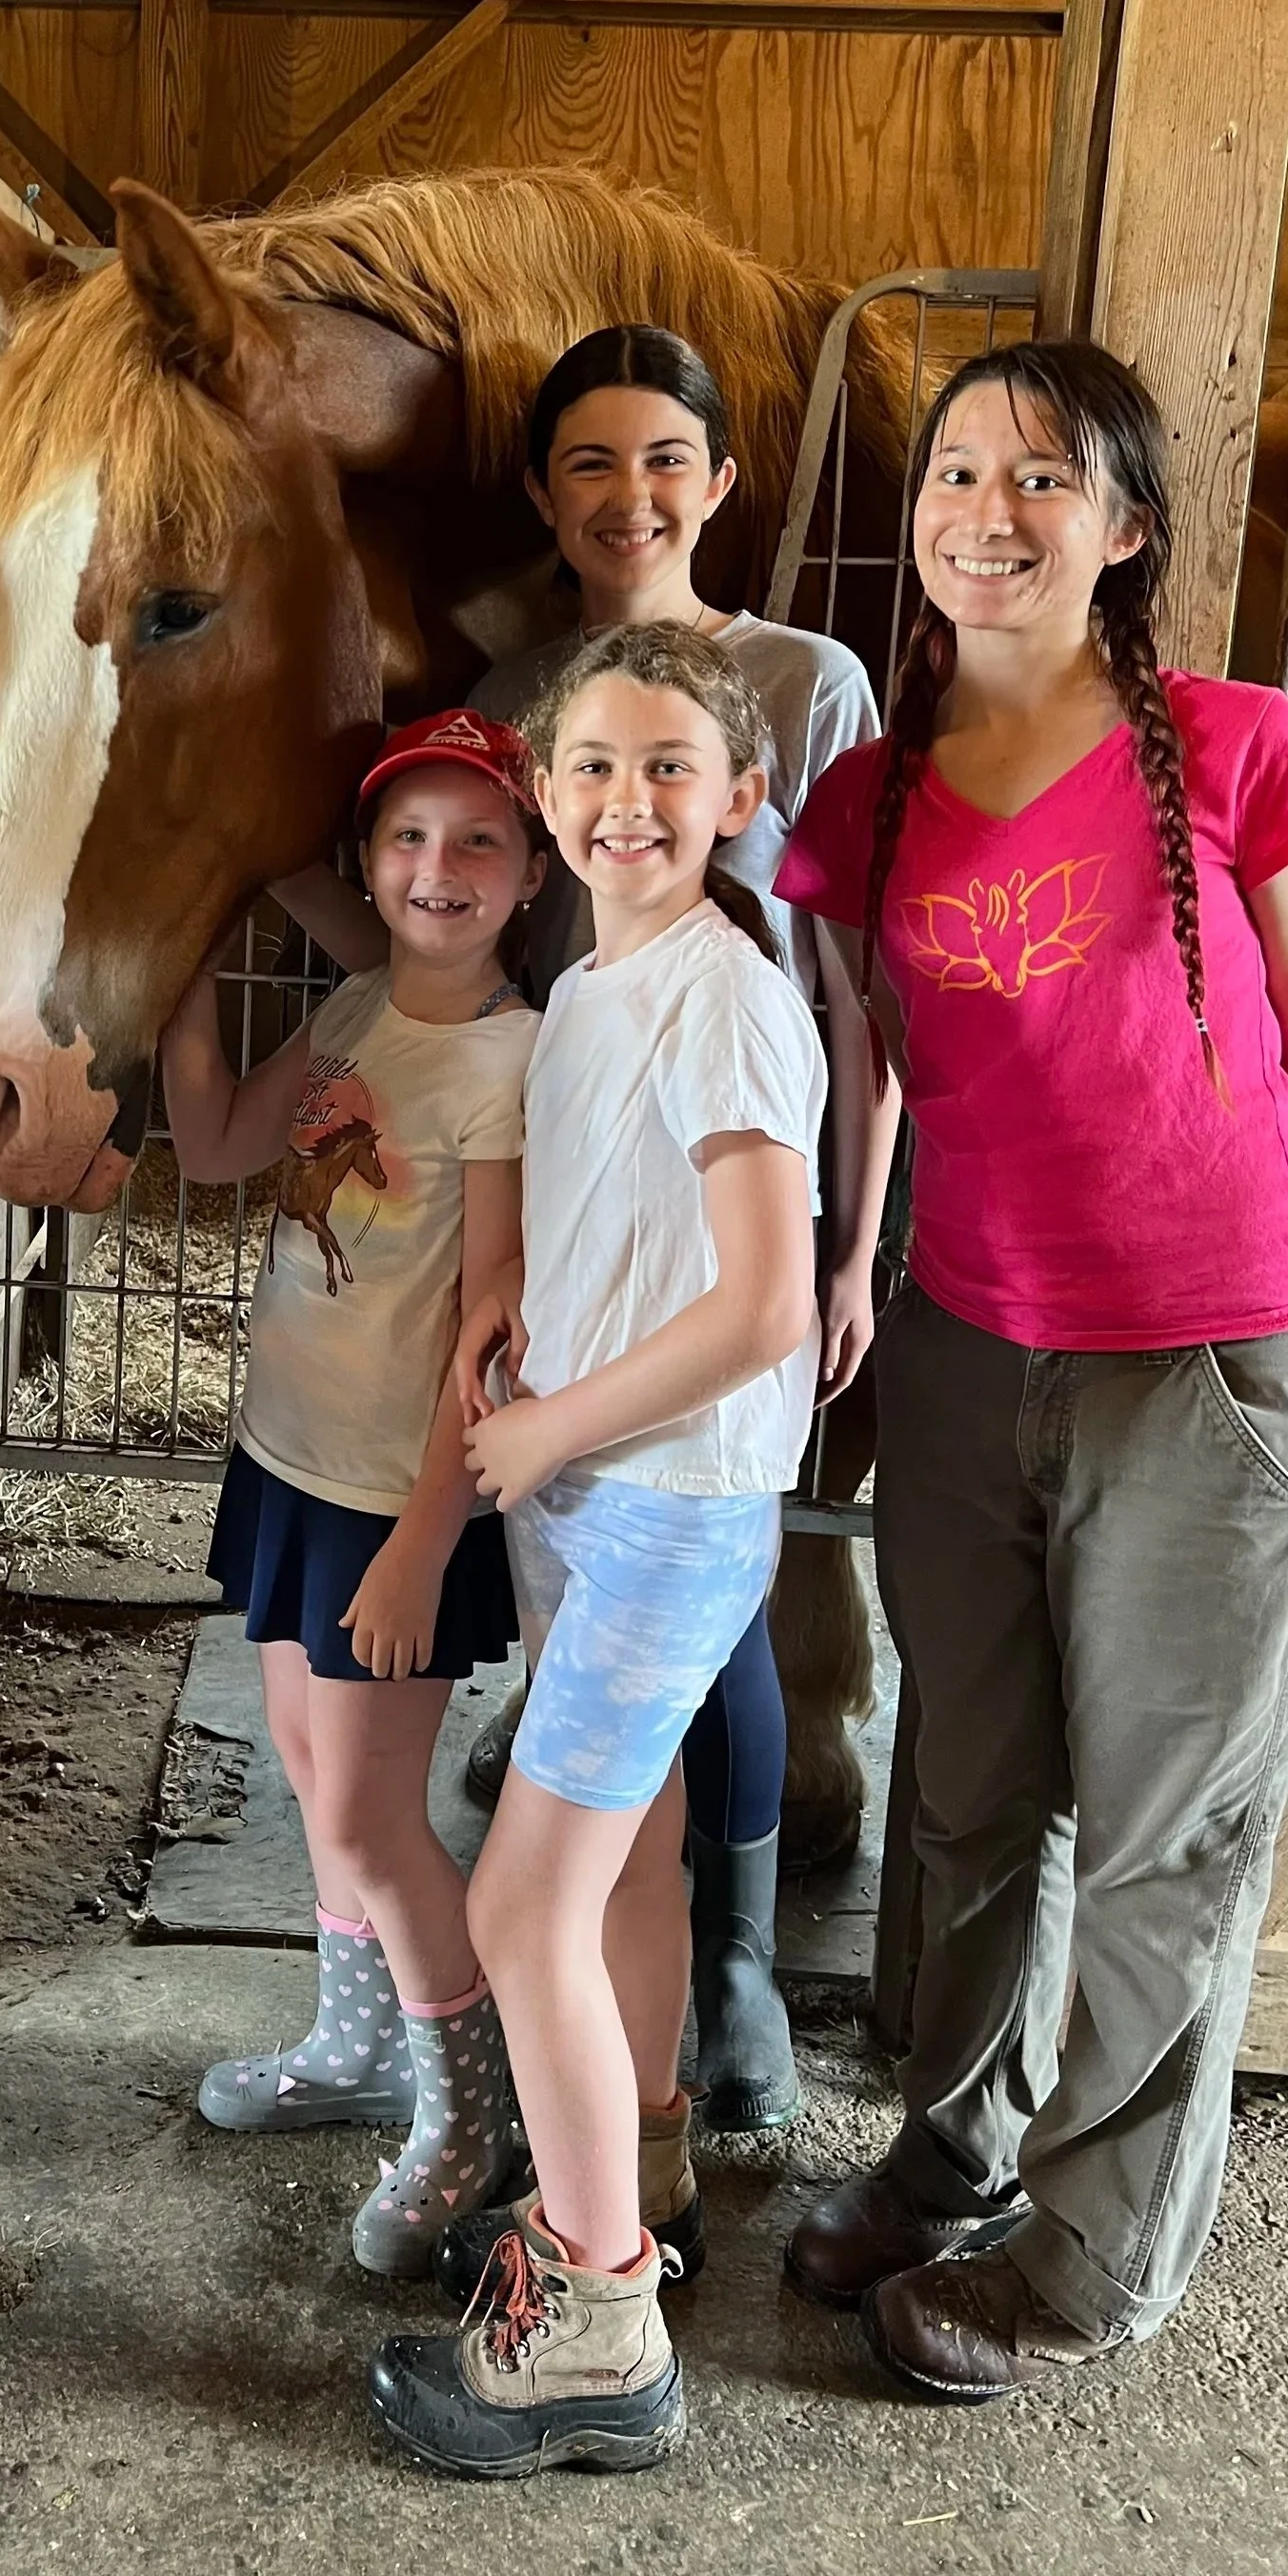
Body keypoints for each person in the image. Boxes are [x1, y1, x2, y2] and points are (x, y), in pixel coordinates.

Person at [772, 340, 1288, 2402]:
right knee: (969, 1800)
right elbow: (811, 1039)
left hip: (1204, 1368)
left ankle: (1096, 2250)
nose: (987, 509)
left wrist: (1234, 1290)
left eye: (1044, 477)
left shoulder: (1240, 745)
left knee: (1158, 1839)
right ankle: (953, 2157)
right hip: (963, 1349)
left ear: (1121, 530)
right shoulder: (866, 797)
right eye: (954, 471)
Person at [279, 323, 895, 2134]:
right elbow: (457, 961)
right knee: (615, 1707)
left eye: (661, 461)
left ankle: (731, 1973)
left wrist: (854, 1245)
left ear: (714, 482)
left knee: (743, 1588)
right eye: (588, 466)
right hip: (587, 1189)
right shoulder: (524, 680)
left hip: (738, 1195)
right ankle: (630, 2101)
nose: (628, 498)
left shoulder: (802, 682)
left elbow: (851, 984)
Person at [367, 622, 825, 2479]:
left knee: (513, 1904)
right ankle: (623, 2162)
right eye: (592, 767)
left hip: (661, 1501)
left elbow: (765, 1305)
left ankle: (599, 2318)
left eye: (666, 768)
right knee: (615, 1866)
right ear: (544, 797)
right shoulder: (585, 993)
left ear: (737, 797)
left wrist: (554, 1422)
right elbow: (622, 1235)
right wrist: (520, 1338)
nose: (625, 800)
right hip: (594, 1489)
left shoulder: (724, 995)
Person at [163, 711, 545, 2276]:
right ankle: (352, 2045)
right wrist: (177, 965)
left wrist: (427, 1542)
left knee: (376, 1818)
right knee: (311, 1782)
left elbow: (491, 1323)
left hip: (401, 1500)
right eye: (405, 838)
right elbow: (210, 1142)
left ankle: (464, 2116)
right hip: (288, 1463)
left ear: (530, 876)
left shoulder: (509, 1061)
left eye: (475, 843)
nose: (435, 868)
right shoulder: (360, 1003)